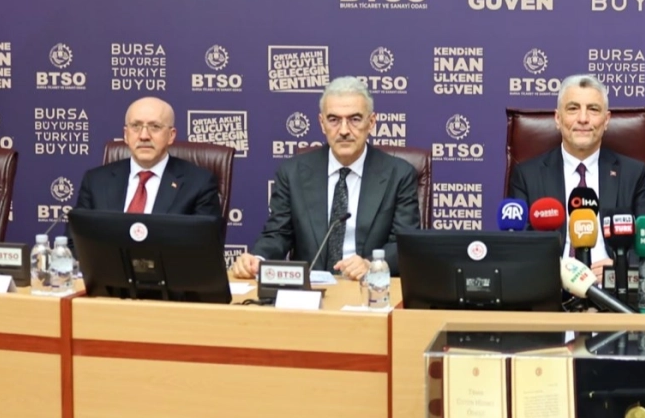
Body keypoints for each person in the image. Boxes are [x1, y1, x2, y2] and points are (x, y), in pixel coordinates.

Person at [233, 77, 419, 281]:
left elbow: (405, 245)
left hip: (367, 287)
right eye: (334, 120)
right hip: (309, 289)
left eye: (355, 119)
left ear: (371, 122)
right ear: (322, 123)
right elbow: (278, 233)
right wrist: (257, 259)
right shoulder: (292, 173)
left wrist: (371, 264)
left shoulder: (398, 175)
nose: (344, 131)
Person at [508, 75, 645, 277]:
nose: (583, 119)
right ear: (558, 119)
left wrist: (619, 267)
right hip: (552, 284)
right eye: (573, 108)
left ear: (606, 120)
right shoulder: (527, 175)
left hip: (612, 287)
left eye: (593, 109)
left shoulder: (634, 174)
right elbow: (518, 245)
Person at [75, 96, 221, 216]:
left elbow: (204, 241)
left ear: (171, 135)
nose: (144, 136)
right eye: (135, 126)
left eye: (155, 127)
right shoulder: (95, 182)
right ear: (125, 134)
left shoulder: (199, 184)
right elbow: (74, 239)